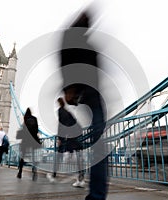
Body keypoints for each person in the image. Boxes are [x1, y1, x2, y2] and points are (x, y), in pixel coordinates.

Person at [59, 11, 108, 200]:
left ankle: (96, 194)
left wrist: (69, 89)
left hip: (90, 95)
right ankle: (97, 194)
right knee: (98, 145)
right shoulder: (74, 40)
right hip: (91, 95)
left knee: (98, 145)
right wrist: (69, 88)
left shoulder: (78, 41)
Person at [47, 97, 85, 187]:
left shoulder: (60, 111)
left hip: (69, 135)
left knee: (59, 155)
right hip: (76, 134)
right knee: (78, 157)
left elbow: (61, 125)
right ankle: (81, 179)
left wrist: (60, 138)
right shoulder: (68, 112)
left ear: (59, 104)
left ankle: (53, 175)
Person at [16, 108, 41, 180]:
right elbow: (36, 130)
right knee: (34, 157)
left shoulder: (25, 118)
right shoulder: (34, 118)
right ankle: (34, 172)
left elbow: (24, 129)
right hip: (33, 140)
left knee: (22, 156)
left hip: (26, 140)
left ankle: (20, 172)